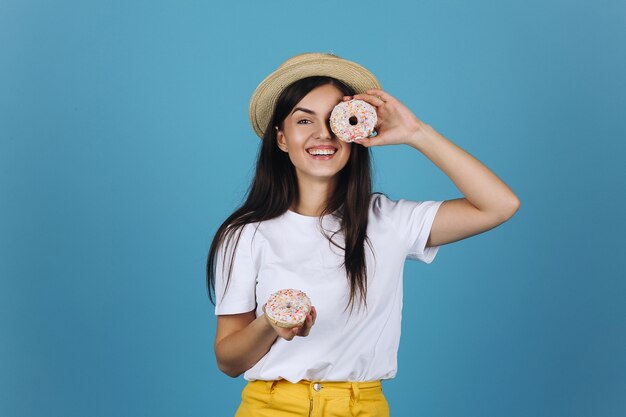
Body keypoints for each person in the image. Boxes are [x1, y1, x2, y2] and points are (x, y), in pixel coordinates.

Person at [206, 52, 520, 417]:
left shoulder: (389, 221)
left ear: (353, 130)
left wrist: (417, 133)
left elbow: (500, 205)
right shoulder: (245, 234)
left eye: (333, 121)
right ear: (281, 139)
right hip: (271, 407)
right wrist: (270, 324)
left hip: (360, 407)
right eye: (304, 120)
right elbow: (228, 361)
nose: (322, 134)